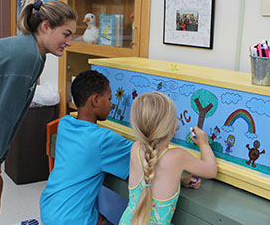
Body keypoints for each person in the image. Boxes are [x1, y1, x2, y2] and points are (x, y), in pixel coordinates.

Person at [0, 0, 77, 225]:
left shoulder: (36, 54)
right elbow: (1, 117)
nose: (69, 42)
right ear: (46, 26)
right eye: (66, 34)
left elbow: (13, 115)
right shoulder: (23, 56)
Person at [40, 70, 133, 225]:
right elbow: (144, 156)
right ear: (95, 100)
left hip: (49, 209)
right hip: (72, 220)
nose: (111, 104)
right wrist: (179, 177)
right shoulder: (104, 139)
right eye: (109, 99)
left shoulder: (65, 124)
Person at [119, 92, 217, 225]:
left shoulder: (135, 148)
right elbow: (211, 170)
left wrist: (180, 180)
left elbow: (150, 180)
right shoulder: (177, 156)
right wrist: (204, 144)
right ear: (173, 128)